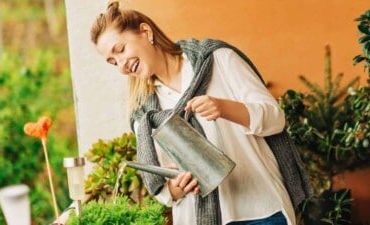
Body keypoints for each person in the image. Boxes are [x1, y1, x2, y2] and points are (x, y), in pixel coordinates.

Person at [90, 2, 313, 225]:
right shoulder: (144, 115)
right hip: (197, 219)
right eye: (112, 62)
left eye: (120, 50)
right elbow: (164, 190)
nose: (121, 66)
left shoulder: (217, 60)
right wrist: (176, 189)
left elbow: (275, 119)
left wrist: (224, 108)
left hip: (261, 211)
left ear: (145, 32)